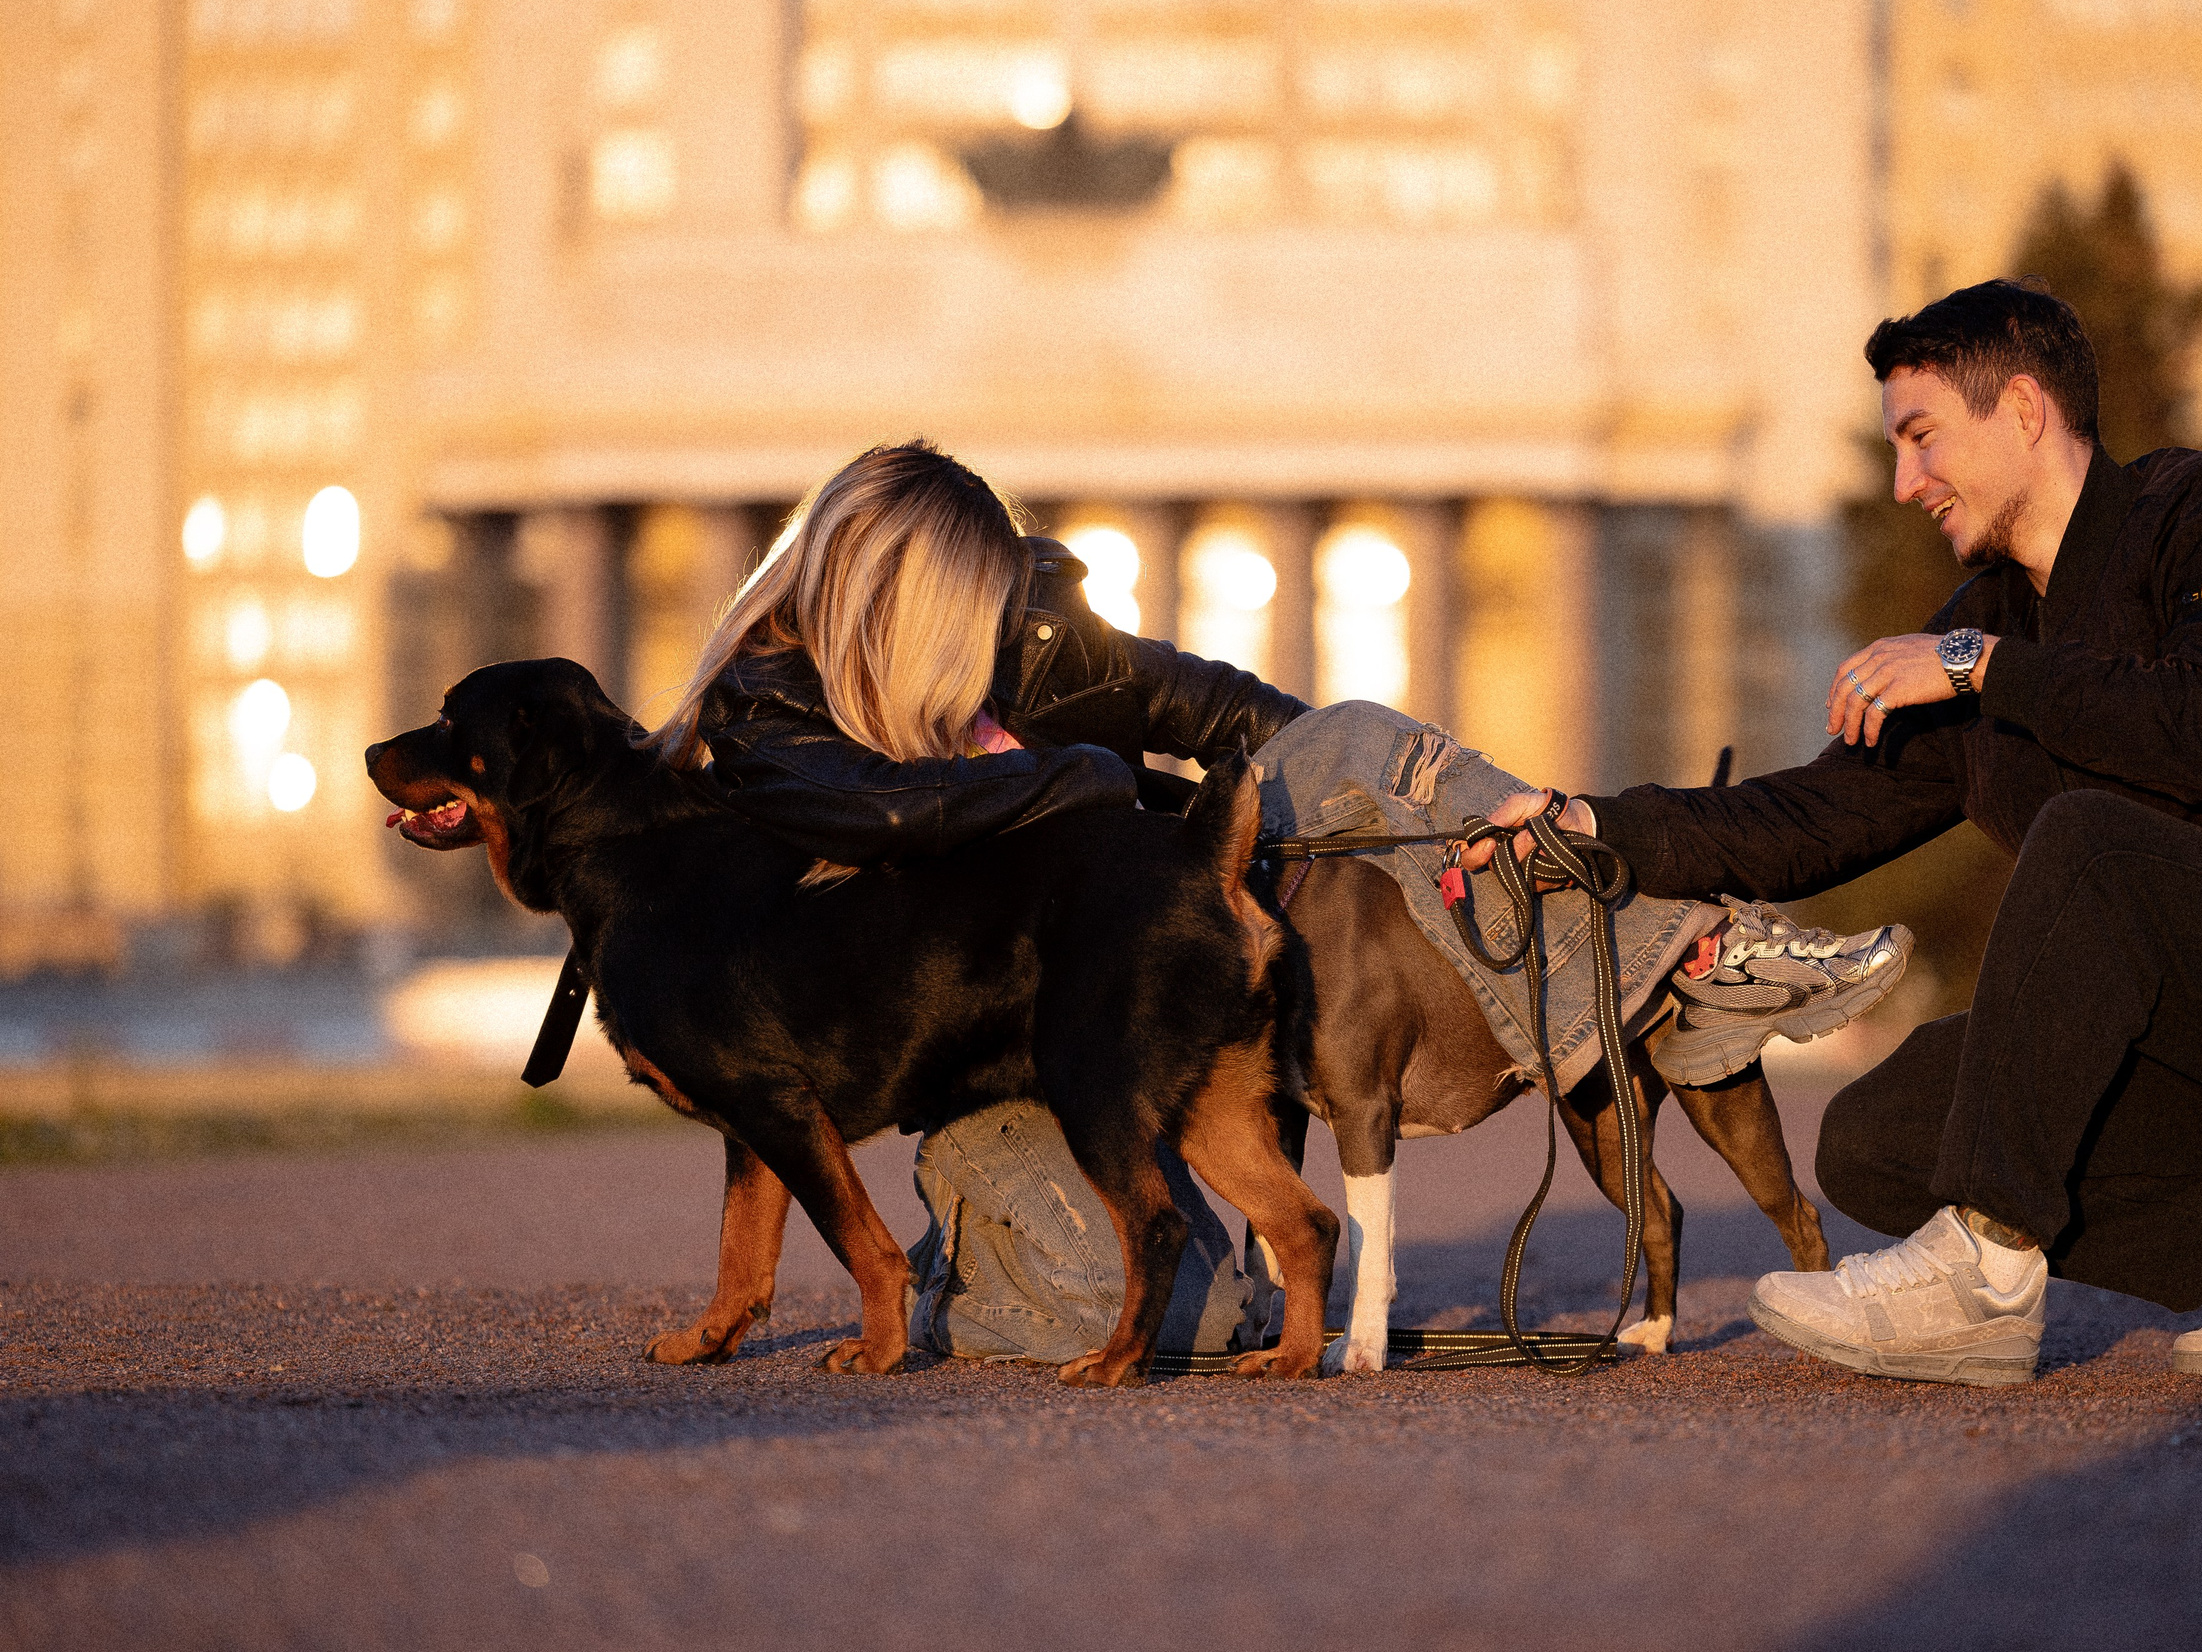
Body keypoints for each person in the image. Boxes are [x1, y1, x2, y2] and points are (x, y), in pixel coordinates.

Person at [644, 441, 1907, 1367]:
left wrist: (1403, 815)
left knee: (1345, 744)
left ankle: (1672, 926)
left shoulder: (1030, 639)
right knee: (1166, 1316)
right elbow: (888, 815)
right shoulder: (766, 710)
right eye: (964, 616)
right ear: (897, 609)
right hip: (991, 1054)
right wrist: (1087, 781)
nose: (994, 639)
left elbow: (1228, 713)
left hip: (1119, 984)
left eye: (1000, 612)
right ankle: (967, 1268)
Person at [1484, 279, 2202, 1385]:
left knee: (2091, 842)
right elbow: (1809, 818)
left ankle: (1983, 1276)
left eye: (1923, 438)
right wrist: (1590, 824)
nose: (1904, 482)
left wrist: (1981, 669)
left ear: (2023, 411)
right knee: (1879, 1137)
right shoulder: (1981, 632)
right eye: (1894, 448)